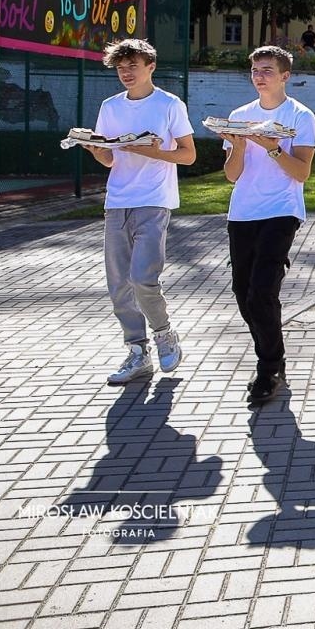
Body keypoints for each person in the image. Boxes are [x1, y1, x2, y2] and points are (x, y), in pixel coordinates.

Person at [83, 39, 197, 385]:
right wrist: (94, 148)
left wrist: (151, 151)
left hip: (154, 200)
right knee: (118, 284)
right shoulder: (110, 106)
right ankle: (136, 351)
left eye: (133, 66)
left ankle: (164, 333)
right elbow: (110, 158)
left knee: (142, 279)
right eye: (120, 68)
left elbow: (188, 155)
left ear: (151, 66)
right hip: (117, 201)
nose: (126, 73)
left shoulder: (169, 104)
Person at [217, 46, 315, 406]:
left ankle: (269, 367)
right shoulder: (240, 115)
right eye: (255, 70)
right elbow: (232, 176)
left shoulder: (300, 116)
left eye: (267, 70)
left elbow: (301, 173)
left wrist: (274, 148)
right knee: (243, 295)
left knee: (262, 291)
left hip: (281, 210)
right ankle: (272, 354)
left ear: (285, 76)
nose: (259, 76)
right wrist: (240, 144)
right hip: (242, 213)